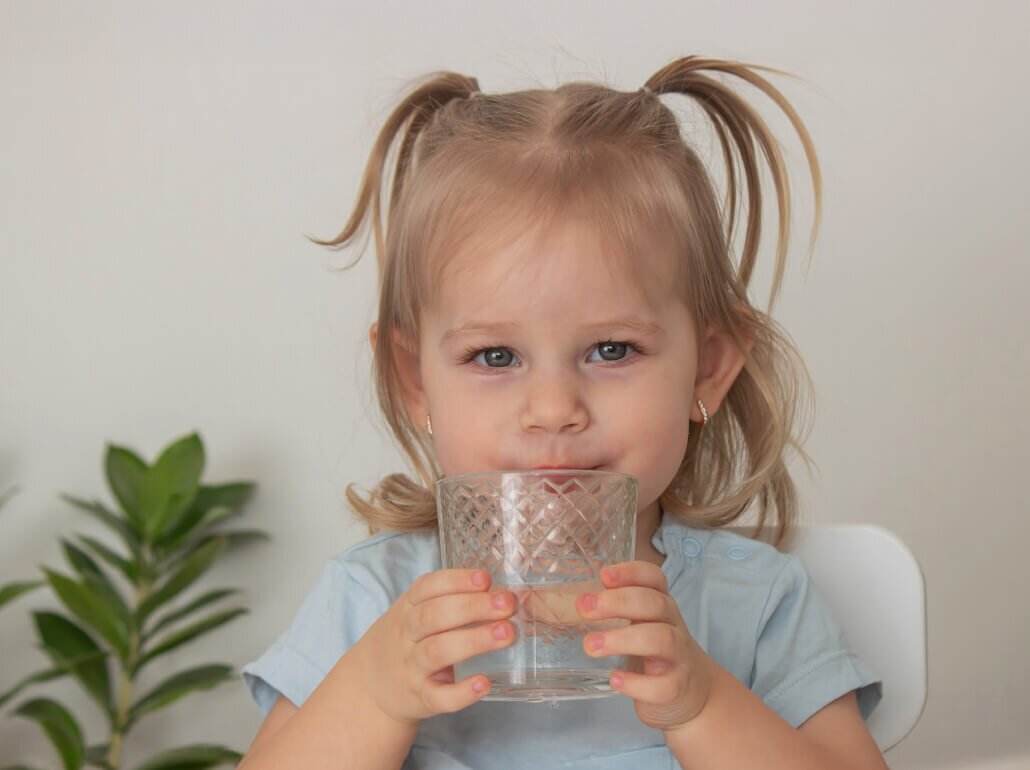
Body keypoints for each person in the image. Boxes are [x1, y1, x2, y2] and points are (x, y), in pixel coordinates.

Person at [238, 55, 887, 769]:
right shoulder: (374, 600)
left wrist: (703, 705)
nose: (553, 410)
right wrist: (372, 695)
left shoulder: (756, 604)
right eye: (494, 357)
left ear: (708, 366)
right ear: (413, 379)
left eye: (612, 349)